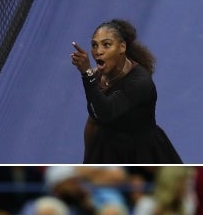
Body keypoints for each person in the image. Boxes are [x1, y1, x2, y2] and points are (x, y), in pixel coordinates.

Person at [70, 19, 182, 163]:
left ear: (122, 47)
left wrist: (87, 75)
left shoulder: (140, 83)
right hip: (109, 151)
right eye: (94, 45)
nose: (98, 51)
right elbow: (94, 121)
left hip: (144, 155)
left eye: (106, 45)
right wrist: (87, 160)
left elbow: (105, 112)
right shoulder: (99, 76)